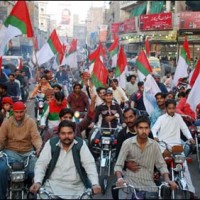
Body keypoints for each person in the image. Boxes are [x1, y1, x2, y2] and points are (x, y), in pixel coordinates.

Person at [29, 120, 101, 198]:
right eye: (63, 133)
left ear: (74, 133)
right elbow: (41, 164)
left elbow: (90, 165)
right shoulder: (51, 143)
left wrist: (95, 184)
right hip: (51, 189)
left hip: (77, 190)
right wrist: (38, 182)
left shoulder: (81, 144)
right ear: (59, 134)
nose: (66, 136)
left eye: (69, 133)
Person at [114, 116, 177, 199]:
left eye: (146, 128)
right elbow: (118, 165)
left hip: (150, 186)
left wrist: (167, 180)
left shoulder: (154, 145)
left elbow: (162, 165)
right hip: (129, 185)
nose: (144, 131)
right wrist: (119, 179)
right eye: (140, 128)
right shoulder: (127, 143)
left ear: (149, 129)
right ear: (136, 129)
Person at [151, 99, 197, 198]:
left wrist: (190, 138)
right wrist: (155, 136)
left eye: (173, 108)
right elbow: (154, 129)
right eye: (169, 108)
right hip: (163, 146)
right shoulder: (161, 118)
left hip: (177, 147)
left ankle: (192, 192)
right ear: (166, 108)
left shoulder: (178, 117)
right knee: (161, 167)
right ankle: (159, 184)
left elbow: (184, 129)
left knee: (184, 168)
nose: (172, 110)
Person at [0, 101, 42, 199]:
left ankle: (35, 195)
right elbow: (1, 139)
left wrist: (39, 148)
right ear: (13, 112)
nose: (19, 114)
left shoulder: (30, 122)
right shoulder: (6, 122)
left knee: (37, 170)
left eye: (21, 112)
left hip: (28, 153)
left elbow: (36, 138)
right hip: (10, 153)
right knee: (1, 169)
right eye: (17, 112)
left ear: (25, 111)